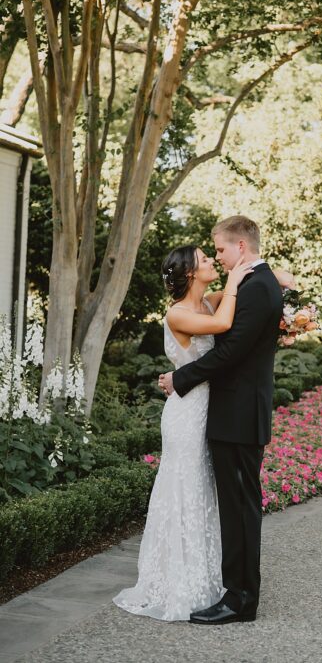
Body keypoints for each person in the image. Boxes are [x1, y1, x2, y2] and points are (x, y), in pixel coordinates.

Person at [113, 247, 253, 621]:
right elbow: (224, 326)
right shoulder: (178, 312)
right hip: (187, 412)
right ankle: (179, 583)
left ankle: (207, 578)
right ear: (190, 273)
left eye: (211, 256)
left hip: (208, 407)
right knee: (185, 490)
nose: (211, 261)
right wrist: (235, 282)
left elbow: (244, 300)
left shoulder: (207, 302)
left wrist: (254, 274)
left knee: (203, 491)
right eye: (204, 259)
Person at [157, 215, 285, 625]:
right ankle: (232, 589)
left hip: (238, 414)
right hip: (228, 412)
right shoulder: (253, 284)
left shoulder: (256, 287)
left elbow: (230, 353)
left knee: (240, 507)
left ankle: (241, 599)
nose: (217, 256)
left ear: (241, 248)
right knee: (232, 506)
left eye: (220, 249)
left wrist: (181, 377)